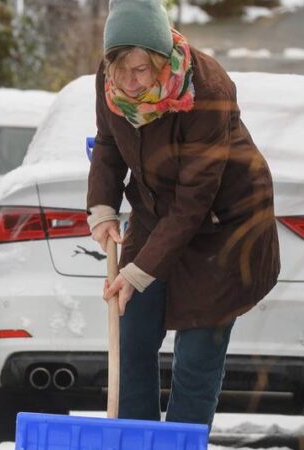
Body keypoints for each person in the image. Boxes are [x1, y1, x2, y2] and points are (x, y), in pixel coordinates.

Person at [86, 0, 281, 430]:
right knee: (131, 339)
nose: (130, 83)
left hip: (223, 227)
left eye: (141, 71)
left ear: (161, 61)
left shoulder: (206, 90)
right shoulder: (110, 80)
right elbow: (108, 143)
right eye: (120, 70)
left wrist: (138, 272)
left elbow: (195, 198)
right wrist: (102, 209)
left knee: (195, 359)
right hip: (157, 216)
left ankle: (180, 443)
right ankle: (136, 441)